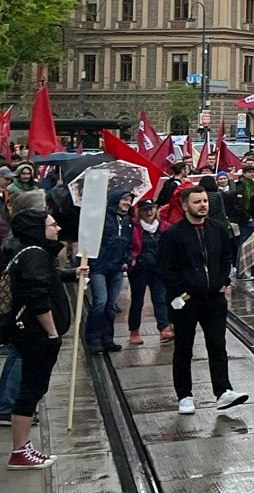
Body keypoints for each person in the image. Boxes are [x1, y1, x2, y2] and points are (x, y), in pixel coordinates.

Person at [4, 209, 79, 469]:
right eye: (51, 225)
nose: (56, 229)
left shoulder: (27, 252)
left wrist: (72, 273)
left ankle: (23, 447)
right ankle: (19, 451)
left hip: (29, 333)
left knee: (32, 389)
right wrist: (52, 331)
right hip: (35, 334)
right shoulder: (35, 254)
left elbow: (47, 277)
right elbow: (37, 295)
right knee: (31, 389)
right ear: (37, 228)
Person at [161, 187, 245, 415]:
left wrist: (223, 281)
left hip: (214, 298)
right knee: (184, 348)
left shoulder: (218, 229)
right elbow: (167, 269)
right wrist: (182, 291)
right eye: (197, 201)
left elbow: (226, 257)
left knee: (217, 345)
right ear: (185, 205)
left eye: (205, 200)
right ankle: (185, 395)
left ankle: (223, 390)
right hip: (187, 300)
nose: (203, 205)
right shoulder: (173, 234)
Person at [85, 191, 135, 354]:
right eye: (124, 199)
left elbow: (129, 243)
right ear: (116, 200)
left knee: (111, 306)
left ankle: (107, 338)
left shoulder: (128, 220)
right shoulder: (102, 218)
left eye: (130, 200)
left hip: (117, 267)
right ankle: (92, 338)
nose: (127, 203)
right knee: (101, 302)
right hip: (99, 266)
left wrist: (126, 259)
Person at [126, 199, 171, 346]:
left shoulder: (164, 227)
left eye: (151, 209)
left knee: (160, 298)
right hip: (139, 270)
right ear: (140, 212)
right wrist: (131, 259)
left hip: (158, 270)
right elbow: (129, 246)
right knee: (137, 300)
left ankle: (164, 328)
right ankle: (134, 330)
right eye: (145, 209)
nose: (149, 212)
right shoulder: (133, 228)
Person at [224, 165, 254, 279]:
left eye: (253, 172)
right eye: (250, 172)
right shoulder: (241, 185)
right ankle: (241, 271)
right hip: (246, 220)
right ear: (244, 173)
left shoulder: (251, 185)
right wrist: (247, 216)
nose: (252, 174)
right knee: (243, 245)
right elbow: (238, 204)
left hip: (253, 218)